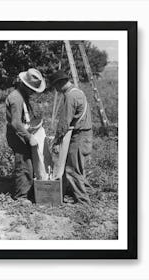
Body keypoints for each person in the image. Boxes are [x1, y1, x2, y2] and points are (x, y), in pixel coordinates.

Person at [49, 70, 93, 206]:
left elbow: (64, 122)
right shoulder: (78, 92)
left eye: (55, 87)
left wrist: (56, 141)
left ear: (60, 83)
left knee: (72, 169)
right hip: (85, 134)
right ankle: (85, 193)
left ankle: (83, 202)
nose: (56, 90)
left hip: (79, 136)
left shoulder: (70, 96)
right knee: (78, 167)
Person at [5, 68, 46, 202]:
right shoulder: (16, 98)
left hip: (23, 133)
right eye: (32, 89)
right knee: (24, 164)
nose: (33, 92)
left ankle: (28, 191)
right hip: (17, 135)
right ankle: (20, 196)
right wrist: (29, 137)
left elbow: (27, 117)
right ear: (24, 85)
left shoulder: (23, 96)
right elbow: (16, 123)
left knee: (30, 163)